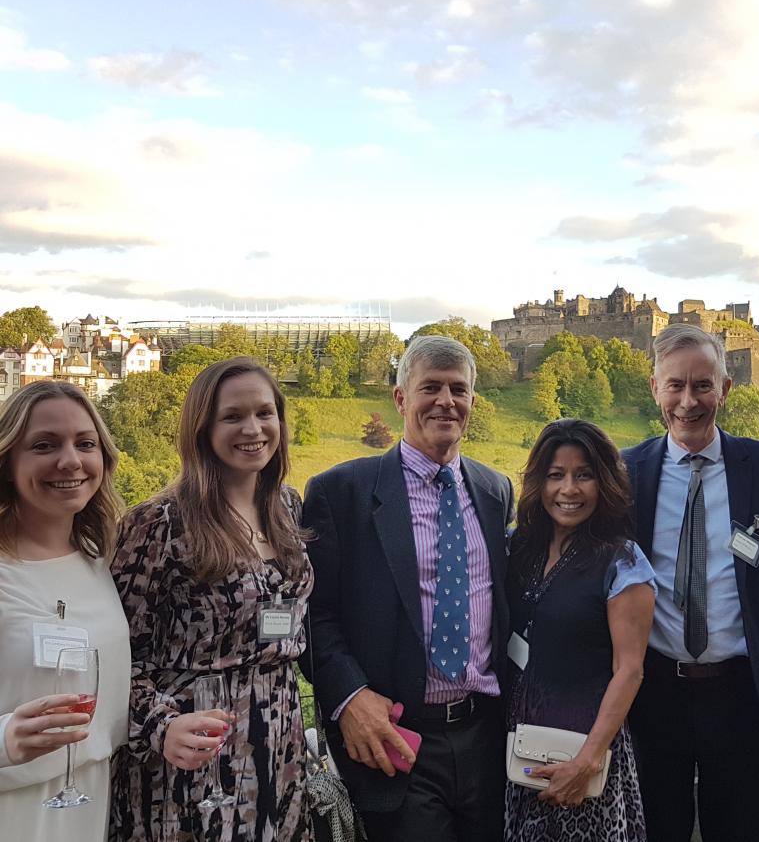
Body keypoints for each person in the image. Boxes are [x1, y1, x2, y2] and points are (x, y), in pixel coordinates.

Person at [303, 335, 514, 842]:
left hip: (487, 737)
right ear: (400, 399)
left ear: (473, 403)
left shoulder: (495, 490)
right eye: (430, 388)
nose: (446, 401)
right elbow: (313, 614)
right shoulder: (341, 492)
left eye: (458, 389)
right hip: (396, 737)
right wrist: (348, 697)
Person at [622, 323, 759, 842]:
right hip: (652, 696)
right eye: (676, 386)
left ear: (725, 389)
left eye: (703, 385)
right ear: (655, 388)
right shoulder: (626, 472)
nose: (688, 401)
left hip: (742, 698)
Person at [109, 358, 313, 841]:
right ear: (202, 428)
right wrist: (160, 727)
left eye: (266, 413)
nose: (253, 428)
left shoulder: (286, 506)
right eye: (233, 416)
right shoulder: (158, 523)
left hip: (279, 747)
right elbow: (112, 656)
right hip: (194, 758)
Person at [505, 419, 655, 841]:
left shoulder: (622, 562)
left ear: (604, 481)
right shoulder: (518, 547)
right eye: (556, 475)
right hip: (517, 757)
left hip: (584, 760)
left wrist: (587, 760)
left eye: (583, 475)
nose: (568, 490)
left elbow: (630, 670)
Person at [0, 380, 130, 841]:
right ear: (8, 462)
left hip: (88, 804)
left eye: (86, 444)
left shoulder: (100, 557)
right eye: (44, 445)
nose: (71, 461)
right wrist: (4, 740)